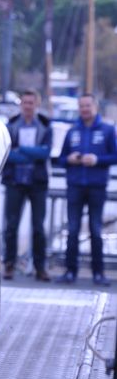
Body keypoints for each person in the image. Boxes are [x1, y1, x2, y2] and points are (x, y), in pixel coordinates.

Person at [56, 93, 117, 286]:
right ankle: (70, 271)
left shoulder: (108, 130)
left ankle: (98, 273)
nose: (84, 109)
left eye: (87, 106)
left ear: (95, 107)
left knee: (95, 230)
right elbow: (61, 159)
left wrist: (97, 160)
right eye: (81, 106)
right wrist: (70, 159)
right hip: (75, 186)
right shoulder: (72, 131)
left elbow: (115, 156)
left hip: (97, 187)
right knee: (72, 230)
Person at [2, 89, 52, 281]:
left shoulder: (46, 126)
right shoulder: (12, 125)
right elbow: (7, 154)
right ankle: (9, 265)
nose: (28, 106)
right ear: (21, 104)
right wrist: (32, 154)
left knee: (38, 227)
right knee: (11, 226)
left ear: (37, 105)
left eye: (31, 103)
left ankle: (40, 267)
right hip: (15, 182)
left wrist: (22, 150)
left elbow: (45, 154)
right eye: (25, 103)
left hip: (37, 183)